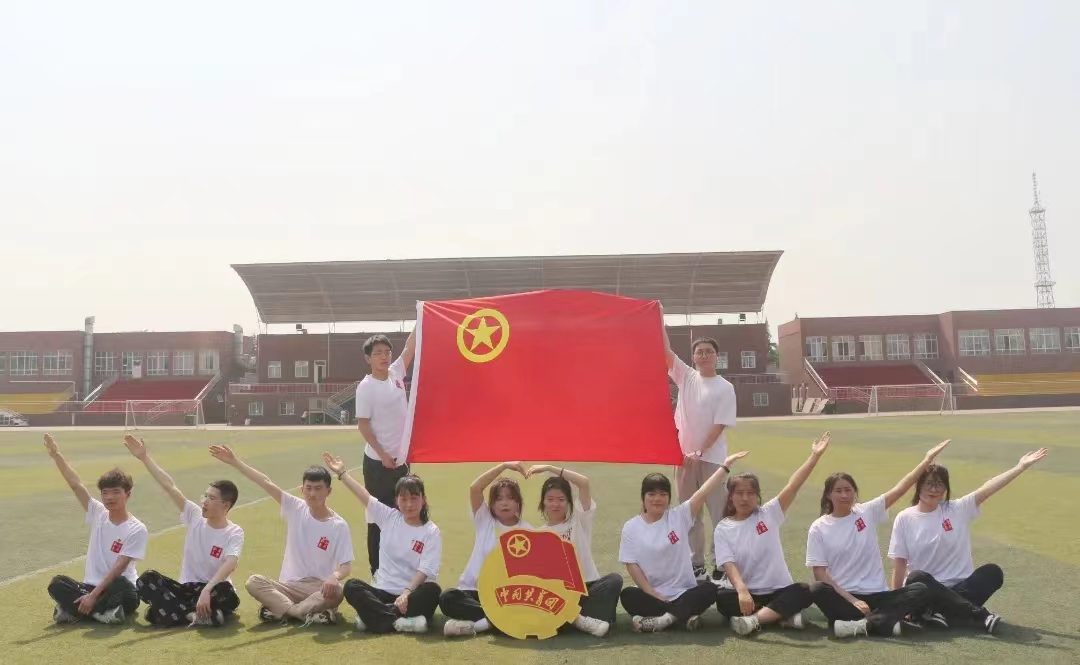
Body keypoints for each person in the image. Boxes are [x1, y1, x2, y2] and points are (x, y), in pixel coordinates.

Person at [888, 447, 1049, 634]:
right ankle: (978, 616)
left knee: (993, 572)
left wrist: (1019, 467)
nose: (934, 489)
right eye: (929, 484)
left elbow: (988, 488)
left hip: (961, 588)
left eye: (939, 484)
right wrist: (896, 605)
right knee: (917, 578)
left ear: (945, 489)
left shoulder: (957, 509)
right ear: (918, 486)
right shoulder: (905, 518)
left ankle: (940, 615)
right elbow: (900, 564)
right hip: (928, 591)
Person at [807, 439, 951, 638]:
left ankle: (862, 625)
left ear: (855, 492)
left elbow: (900, 488)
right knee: (817, 589)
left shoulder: (866, 512)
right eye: (838, 491)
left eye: (848, 490)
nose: (844, 495)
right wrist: (852, 600)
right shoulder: (819, 527)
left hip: (878, 595)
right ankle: (885, 622)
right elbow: (820, 574)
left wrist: (926, 460)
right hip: (845, 597)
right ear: (828, 495)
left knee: (920, 589)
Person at [210, 444, 353, 625]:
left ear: (328, 491)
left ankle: (282, 610)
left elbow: (346, 566)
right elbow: (265, 482)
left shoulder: (338, 525)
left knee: (338, 591)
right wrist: (234, 461)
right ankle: (301, 612)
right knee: (254, 582)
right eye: (308, 488)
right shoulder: (296, 507)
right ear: (302, 490)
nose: (312, 493)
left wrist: (334, 577)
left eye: (318, 488)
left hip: (318, 587)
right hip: (288, 587)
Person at [618, 451, 749, 633]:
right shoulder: (631, 527)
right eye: (652, 494)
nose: (657, 499)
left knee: (709, 589)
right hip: (654, 594)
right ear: (643, 497)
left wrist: (725, 466)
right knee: (628, 595)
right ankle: (682, 617)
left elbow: (703, 491)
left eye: (663, 494)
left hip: (684, 592)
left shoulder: (678, 516)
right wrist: (652, 593)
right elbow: (631, 565)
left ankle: (664, 620)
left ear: (668, 497)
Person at [716, 432, 831, 635]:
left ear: (757, 496)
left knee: (804, 591)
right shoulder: (723, 528)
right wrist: (742, 590)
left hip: (779, 590)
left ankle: (754, 620)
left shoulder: (768, 514)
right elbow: (728, 565)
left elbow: (793, 486)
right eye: (739, 493)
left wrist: (814, 456)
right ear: (730, 496)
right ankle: (780, 615)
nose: (745, 498)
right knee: (722, 600)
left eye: (750, 493)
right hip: (749, 593)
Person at [123, 435, 244, 627]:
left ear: (226, 505)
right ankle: (195, 615)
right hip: (187, 589)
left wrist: (207, 590)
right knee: (146, 580)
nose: (204, 502)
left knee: (227, 593)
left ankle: (169, 612)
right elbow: (169, 486)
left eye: (211, 498)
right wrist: (145, 458)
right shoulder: (194, 516)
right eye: (205, 496)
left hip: (213, 589)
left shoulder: (234, 532)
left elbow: (231, 563)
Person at [324, 452, 441, 634]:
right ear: (397, 500)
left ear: (423, 500)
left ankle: (376, 618)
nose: (409, 504)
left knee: (432, 590)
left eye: (414, 498)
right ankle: (400, 622)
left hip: (411, 594)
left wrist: (406, 593)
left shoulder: (431, 531)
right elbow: (364, 496)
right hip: (382, 592)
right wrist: (342, 473)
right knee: (352, 586)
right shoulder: (388, 517)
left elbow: (425, 570)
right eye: (403, 499)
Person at [44, 434, 146, 625]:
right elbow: (76, 485)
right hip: (91, 587)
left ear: (128, 494)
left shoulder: (136, 529)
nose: (109, 498)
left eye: (116, 492)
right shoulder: (98, 513)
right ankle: (103, 613)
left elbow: (119, 568)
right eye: (105, 493)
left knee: (122, 584)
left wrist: (92, 596)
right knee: (57, 583)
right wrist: (56, 455)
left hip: (120, 588)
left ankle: (76, 610)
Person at [663, 329, 738, 582]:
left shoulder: (725, 388)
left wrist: (700, 451)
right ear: (693, 357)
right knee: (689, 514)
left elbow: (719, 425)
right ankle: (696, 563)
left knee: (719, 514)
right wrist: (658, 317)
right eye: (699, 352)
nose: (704, 355)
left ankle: (721, 563)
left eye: (709, 352)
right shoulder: (686, 377)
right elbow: (665, 352)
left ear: (717, 357)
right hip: (684, 460)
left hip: (712, 460)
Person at [529, 464, 623, 637]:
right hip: (557, 595)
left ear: (568, 502)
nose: (555, 504)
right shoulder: (536, 535)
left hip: (586, 589)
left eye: (561, 499)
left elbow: (584, 483)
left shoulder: (579, 522)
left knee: (614, 581)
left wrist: (549, 467)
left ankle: (571, 620)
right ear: (543, 502)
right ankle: (578, 620)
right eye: (550, 499)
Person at [440, 462, 532, 637]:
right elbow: (475, 488)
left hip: (505, 595)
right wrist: (504, 466)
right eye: (499, 499)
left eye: (510, 498)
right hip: (473, 591)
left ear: (518, 502)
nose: (504, 503)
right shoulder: (485, 520)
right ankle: (499, 621)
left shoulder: (528, 531)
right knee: (447, 598)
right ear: (492, 504)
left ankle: (479, 625)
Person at [355, 331, 416, 576]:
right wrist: (382, 455)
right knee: (378, 517)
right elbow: (363, 425)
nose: (384, 357)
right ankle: (377, 571)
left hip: (401, 462)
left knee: (405, 512)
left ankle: (401, 568)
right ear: (368, 359)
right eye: (378, 353)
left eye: (387, 352)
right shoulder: (366, 387)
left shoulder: (396, 373)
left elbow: (410, 347)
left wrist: (421, 316)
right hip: (378, 465)